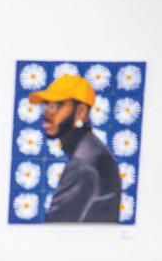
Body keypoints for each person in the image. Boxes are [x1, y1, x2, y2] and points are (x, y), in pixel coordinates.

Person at [30, 74, 120, 222]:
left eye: (55, 106)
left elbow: (55, 227)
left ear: (81, 112)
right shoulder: (91, 149)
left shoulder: (82, 165)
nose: (45, 113)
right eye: (46, 105)